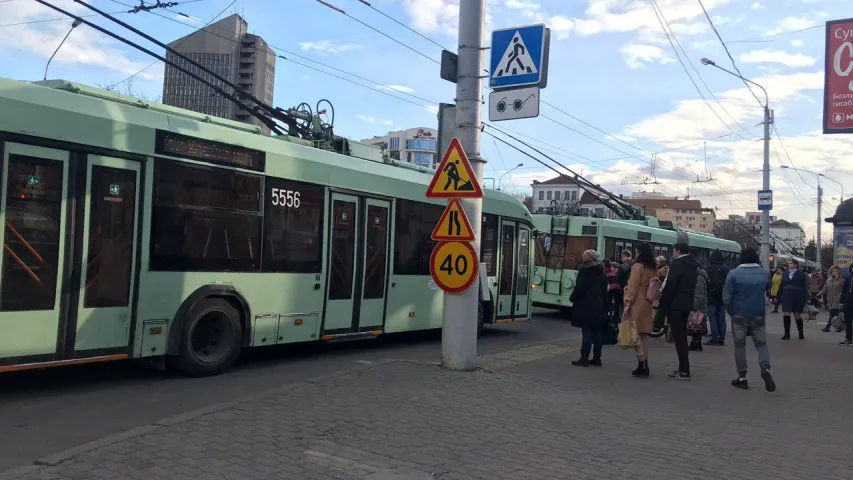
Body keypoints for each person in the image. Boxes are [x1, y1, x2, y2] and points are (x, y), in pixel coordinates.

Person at [723, 248, 776, 392]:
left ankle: (742, 378)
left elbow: (727, 297)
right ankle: (765, 368)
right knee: (761, 344)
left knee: (740, 346)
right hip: (758, 314)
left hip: (739, 314)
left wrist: (731, 311)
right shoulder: (764, 273)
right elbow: (768, 289)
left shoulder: (733, 274)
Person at [659, 242, 699, 380]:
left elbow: (670, 286)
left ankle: (684, 370)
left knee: (678, 338)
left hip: (675, 305)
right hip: (686, 305)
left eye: (674, 251)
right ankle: (684, 368)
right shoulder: (693, 266)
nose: (673, 254)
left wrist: (663, 302)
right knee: (682, 336)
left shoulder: (677, 265)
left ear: (678, 251)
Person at [623, 243, 657, 378]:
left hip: (638, 301)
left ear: (639, 252)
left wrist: (627, 302)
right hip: (647, 302)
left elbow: (632, 286)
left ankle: (641, 364)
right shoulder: (652, 266)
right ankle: (646, 364)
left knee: (634, 334)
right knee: (643, 335)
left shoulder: (637, 266)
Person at [570, 250, 608, 367]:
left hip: (586, 305)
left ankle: (584, 357)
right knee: (597, 331)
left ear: (586, 258)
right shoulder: (602, 270)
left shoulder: (584, 271)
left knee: (586, 331)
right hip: (598, 305)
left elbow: (579, 289)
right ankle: (597, 358)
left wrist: (573, 297)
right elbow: (604, 289)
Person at [704, 251, 730, 346]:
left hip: (711, 298)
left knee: (712, 319)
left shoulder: (708, 269)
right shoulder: (726, 270)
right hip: (722, 299)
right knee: (722, 319)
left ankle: (714, 338)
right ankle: (721, 339)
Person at [780, 258, 808, 340]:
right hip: (787, 295)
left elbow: (804, 286)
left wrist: (806, 298)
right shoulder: (785, 273)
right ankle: (787, 334)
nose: (789, 264)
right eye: (788, 263)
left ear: (795, 265)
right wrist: (778, 297)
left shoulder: (801, 273)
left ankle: (800, 332)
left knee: (797, 315)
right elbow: (781, 285)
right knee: (786, 313)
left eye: (791, 263)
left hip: (797, 295)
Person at [688, 263, 709, 352]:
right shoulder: (699, 276)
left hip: (699, 307)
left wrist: (694, 307)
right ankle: (695, 343)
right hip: (700, 306)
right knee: (696, 325)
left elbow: (698, 294)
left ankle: (696, 344)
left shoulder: (699, 278)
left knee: (697, 324)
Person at [820, 266, 844, 333]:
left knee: (834, 314)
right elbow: (824, 289)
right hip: (830, 300)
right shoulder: (828, 280)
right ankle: (840, 327)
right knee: (836, 315)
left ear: (839, 272)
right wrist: (818, 295)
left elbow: (844, 291)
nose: (834, 272)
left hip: (839, 300)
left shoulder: (842, 280)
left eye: (836, 271)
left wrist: (843, 299)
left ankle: (828, 327)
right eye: (833, 271)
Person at [652, 256, 670, 331]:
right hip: (659, 290)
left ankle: (656, 324)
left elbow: (658, 277)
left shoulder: (663, 269)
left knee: (656, 307)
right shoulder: (666, 268)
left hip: (659, 290)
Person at [841, 264, 853, 345]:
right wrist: (841, 301)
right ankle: (848, 338)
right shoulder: (848, 278)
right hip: (848, 302)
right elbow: (844, 289)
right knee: (848, 320)